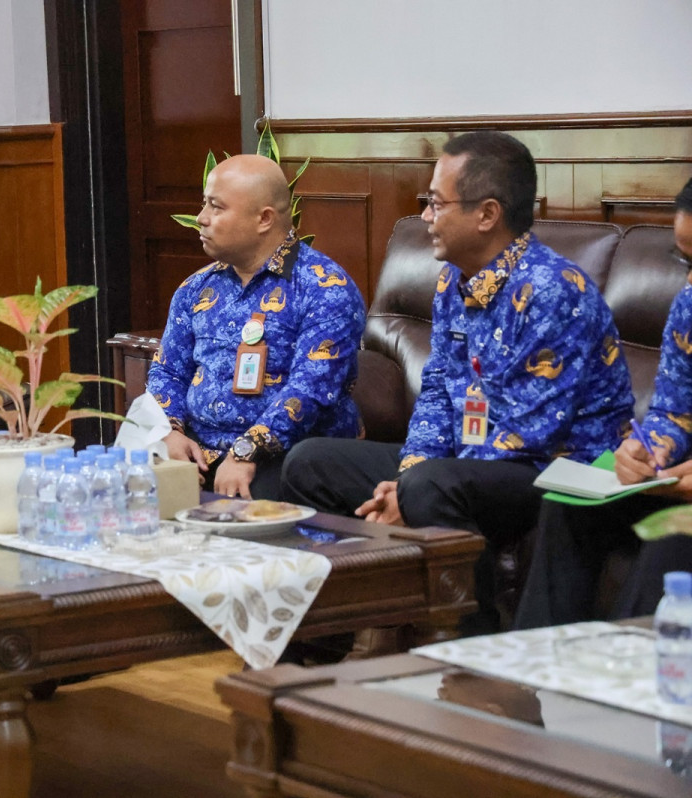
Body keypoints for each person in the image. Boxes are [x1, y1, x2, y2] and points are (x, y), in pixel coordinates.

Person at [281, 131, 635, 634]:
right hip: (469, 464)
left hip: (552, 472)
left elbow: (529, 434)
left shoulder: (553, 291)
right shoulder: (454, 279)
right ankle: (373, 619)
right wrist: (408, 471)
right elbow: (438, 390)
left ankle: (472, 641)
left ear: (487, 214)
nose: (425, 216)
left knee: (432, 486)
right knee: (311, 462)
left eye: (436, 203)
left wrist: (413, 487)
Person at [515, 177, 692, 628]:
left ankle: (626, 685)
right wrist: (649, 449)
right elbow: (673, 411)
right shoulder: (689, 308)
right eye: (686, 260)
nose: (690, 281)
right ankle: (530, 675)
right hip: (678, 483)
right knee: (568, 504)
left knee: (675, 534)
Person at [147, 154, 365, 500]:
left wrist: (248, 450)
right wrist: (170, 432)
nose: (201, 219)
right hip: (196, 452)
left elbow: (310, 391)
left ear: (264, 219)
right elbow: (167, 371)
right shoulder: (196, 288)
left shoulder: (324, 288)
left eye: (216, 208)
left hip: (286, 457)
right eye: (204, 205)